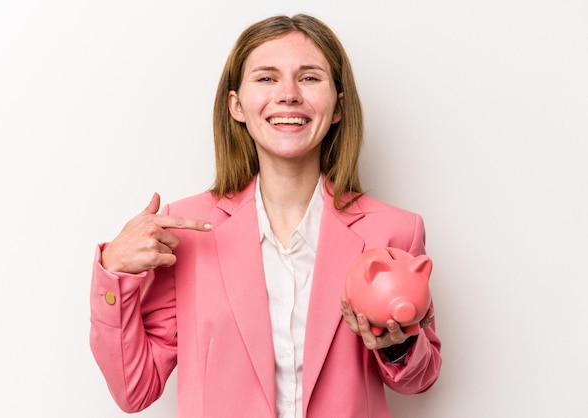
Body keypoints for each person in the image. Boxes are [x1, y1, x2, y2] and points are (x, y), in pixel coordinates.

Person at [89, 13, 441, 418]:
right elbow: (135, 390)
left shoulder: (394, 231)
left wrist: (397, 345)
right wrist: (114, 272)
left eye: (310, 78)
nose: (288, 94)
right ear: (236, 105)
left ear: (339, 106)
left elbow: (420, 379)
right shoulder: (185, 230)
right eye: (266, 78)